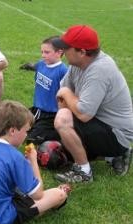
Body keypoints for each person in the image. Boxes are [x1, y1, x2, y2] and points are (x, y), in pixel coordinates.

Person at [0, 100, 70, 224]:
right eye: (26, 131)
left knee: (17, 186)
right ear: (12, 131)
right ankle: (60, 196)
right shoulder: (15, 157)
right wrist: (33, 161)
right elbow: (38, 194)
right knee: (59, 195)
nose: (26, 136)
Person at [52, 25, 133, 183]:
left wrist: (67, 99)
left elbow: (83, 113)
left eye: (65, 48)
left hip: (118, 134)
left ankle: (85, 172)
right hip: (99, 122)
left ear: (82, 52)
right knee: (64, 139)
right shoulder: (77, 64)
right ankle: (106, 156)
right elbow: (63, 91)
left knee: (62, 120)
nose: (62, 51)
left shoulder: (100, 70)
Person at [27, 35, 68, 145]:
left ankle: (58, 135)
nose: (43, 55)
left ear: (59, 53)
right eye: (42, 52)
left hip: (51, 115)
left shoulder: (63, 71)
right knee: (17, 128)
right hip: (37, 110)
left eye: (47, 52)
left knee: (32, 139)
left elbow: (66, 96)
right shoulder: (41, 64)